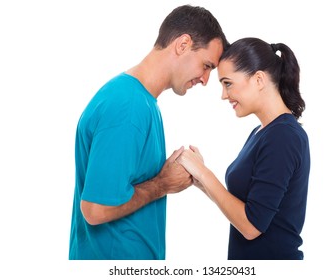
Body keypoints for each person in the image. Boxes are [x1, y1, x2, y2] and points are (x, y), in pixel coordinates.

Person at [68, 5, 228, 260]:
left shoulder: (142, 102)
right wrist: (162, 184)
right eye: (206, 65)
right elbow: (95, 209)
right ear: (183, 44)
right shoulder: (128, 106)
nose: (206, 79)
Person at [177, 37, 310, 260]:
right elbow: (246, 208)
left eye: (227, 83)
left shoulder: (283, 136)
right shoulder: (262, 132)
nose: (223, 95)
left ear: (259, 79)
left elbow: (251, 226)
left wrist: (204, 173)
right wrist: (202, 183)